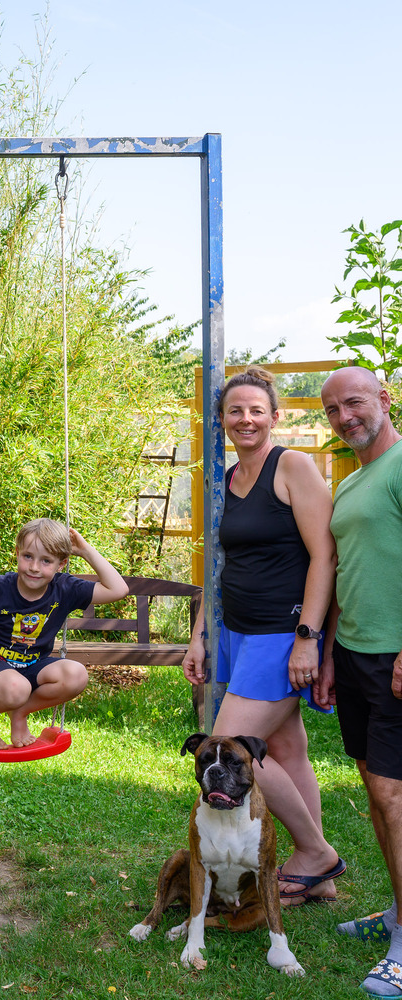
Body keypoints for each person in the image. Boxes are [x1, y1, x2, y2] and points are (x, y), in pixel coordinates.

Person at [182, 365, 343, 906]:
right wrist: (202, 633)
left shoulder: (292, 466)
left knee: (234, 749)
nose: (245, 419)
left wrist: (308, 637)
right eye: (234, 410)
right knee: (287, 750)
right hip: (236, 633)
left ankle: (315, 852)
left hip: (282, 633)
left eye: (256, 410)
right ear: (221, 419)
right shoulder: (225, 480)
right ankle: (317, 878)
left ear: (274, 417)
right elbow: (220, 565)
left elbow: (326, 555)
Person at [318, 366, 402, 997]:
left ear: (384, 399)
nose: (345, 417)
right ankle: (398, 913)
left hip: (396, 657)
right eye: (333, 411)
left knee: (395, 797)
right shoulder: (348, 487)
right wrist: (326, 658)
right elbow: (346, 573)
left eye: (354, 403)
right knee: (377, 792)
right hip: (353, 656)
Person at [0, 518, 128, 748]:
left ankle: (20, 713)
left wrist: (86, 551)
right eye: (28, 556)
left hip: (32, 668)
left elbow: (119, 589)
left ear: (61, 564)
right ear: (17, 553)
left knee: (76, 674)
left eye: (46, 561)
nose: (35, 567)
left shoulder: (64, 588)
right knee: (16, 688)